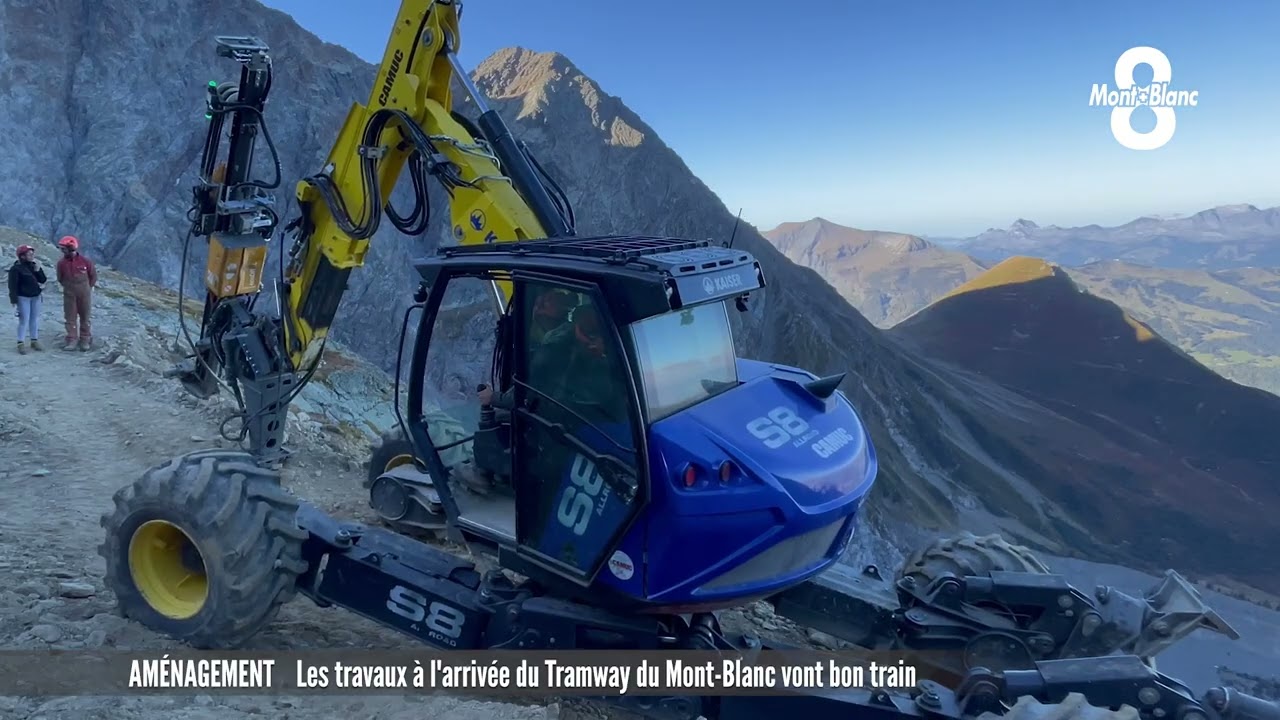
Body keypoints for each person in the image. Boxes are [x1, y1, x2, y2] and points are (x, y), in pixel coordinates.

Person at [55, 235, 96, 351]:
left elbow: (93, 276)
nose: (62, 251)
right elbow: (60, 278)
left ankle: (85, 339)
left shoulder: (85, 262)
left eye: (64, 249)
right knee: (70, 317)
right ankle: (72, 339)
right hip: (69, 294)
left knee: (85, 316)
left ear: (71, 248)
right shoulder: (61, 263)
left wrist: (86, 288)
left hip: (84, 294)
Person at [8, 245, 48, 354]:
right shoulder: (15, 269)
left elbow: (43, 280)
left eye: (32, 254)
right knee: (24, 320)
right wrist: (14, 300)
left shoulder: (33, 266)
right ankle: (20, 342)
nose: (32, 256)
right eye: (29, 254)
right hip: (23, 297)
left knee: (34, 319)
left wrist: (38, 270)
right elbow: (12, 285)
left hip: (36, 296)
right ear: (22, 256)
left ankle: (34, 340)